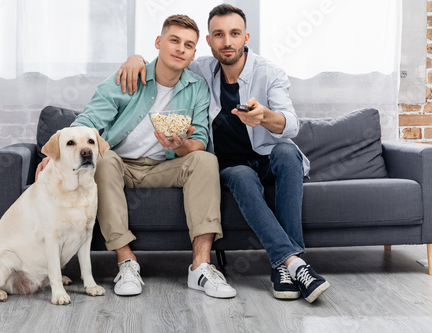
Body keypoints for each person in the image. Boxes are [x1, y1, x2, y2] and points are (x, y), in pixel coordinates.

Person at [117, 4, 330, 303]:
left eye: (234, 34)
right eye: (219, 35)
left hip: (269, 158)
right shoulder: (201, 68)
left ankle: (285, 265)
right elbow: (168, 57)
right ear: (209, 41)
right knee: (241, 174)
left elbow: (291, 125)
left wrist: (265, 116)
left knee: (287, 153)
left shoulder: (270, 73)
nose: (227, 42)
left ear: (246, 37)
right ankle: (294, 265)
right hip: (230, 166)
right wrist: (135, 58)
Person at [36, 14, 236, 299]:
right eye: (174, 40)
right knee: (102, 159)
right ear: (158, 42)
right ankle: (126, 262)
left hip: (165, 166)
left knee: (206, 160)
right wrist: (55, 154)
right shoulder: (129, 76)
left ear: (194, 53)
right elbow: (89, 120)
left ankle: (201, 266)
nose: (180, 49)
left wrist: (180, 145)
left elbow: (200, 141)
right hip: (121, 166)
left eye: (188, 45)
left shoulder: (197, 87)